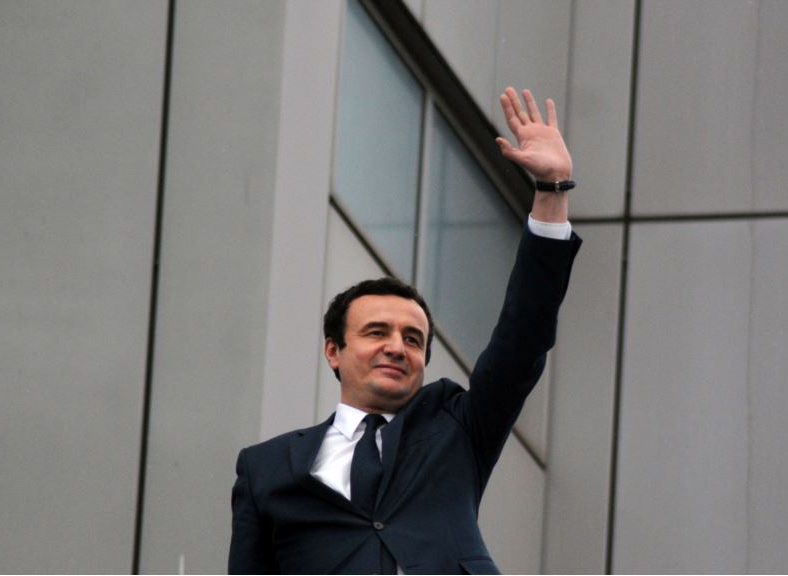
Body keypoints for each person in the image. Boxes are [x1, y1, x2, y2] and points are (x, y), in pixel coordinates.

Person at [228, 87, 582, 574]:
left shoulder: (457, 427)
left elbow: (523, 336)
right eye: (377, 332)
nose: (397, 347)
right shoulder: (265, 467)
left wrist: (551, 191)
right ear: (334, 350)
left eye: (413, 339)